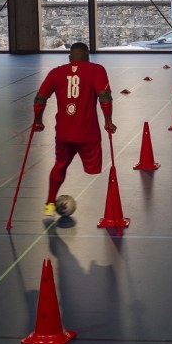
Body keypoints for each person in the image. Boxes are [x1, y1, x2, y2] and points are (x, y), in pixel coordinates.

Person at [32, 42, 116, 219]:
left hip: (64, 132)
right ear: (87, 56)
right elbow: (104, 96)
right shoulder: (96, 70)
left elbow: (40, 98)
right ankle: (110, 207)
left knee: (60, 164)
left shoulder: (56, 72)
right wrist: (108, 121)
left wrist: (38, 121)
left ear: (70, 58)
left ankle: (49, 205)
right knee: (95, 171)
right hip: (88, 133)